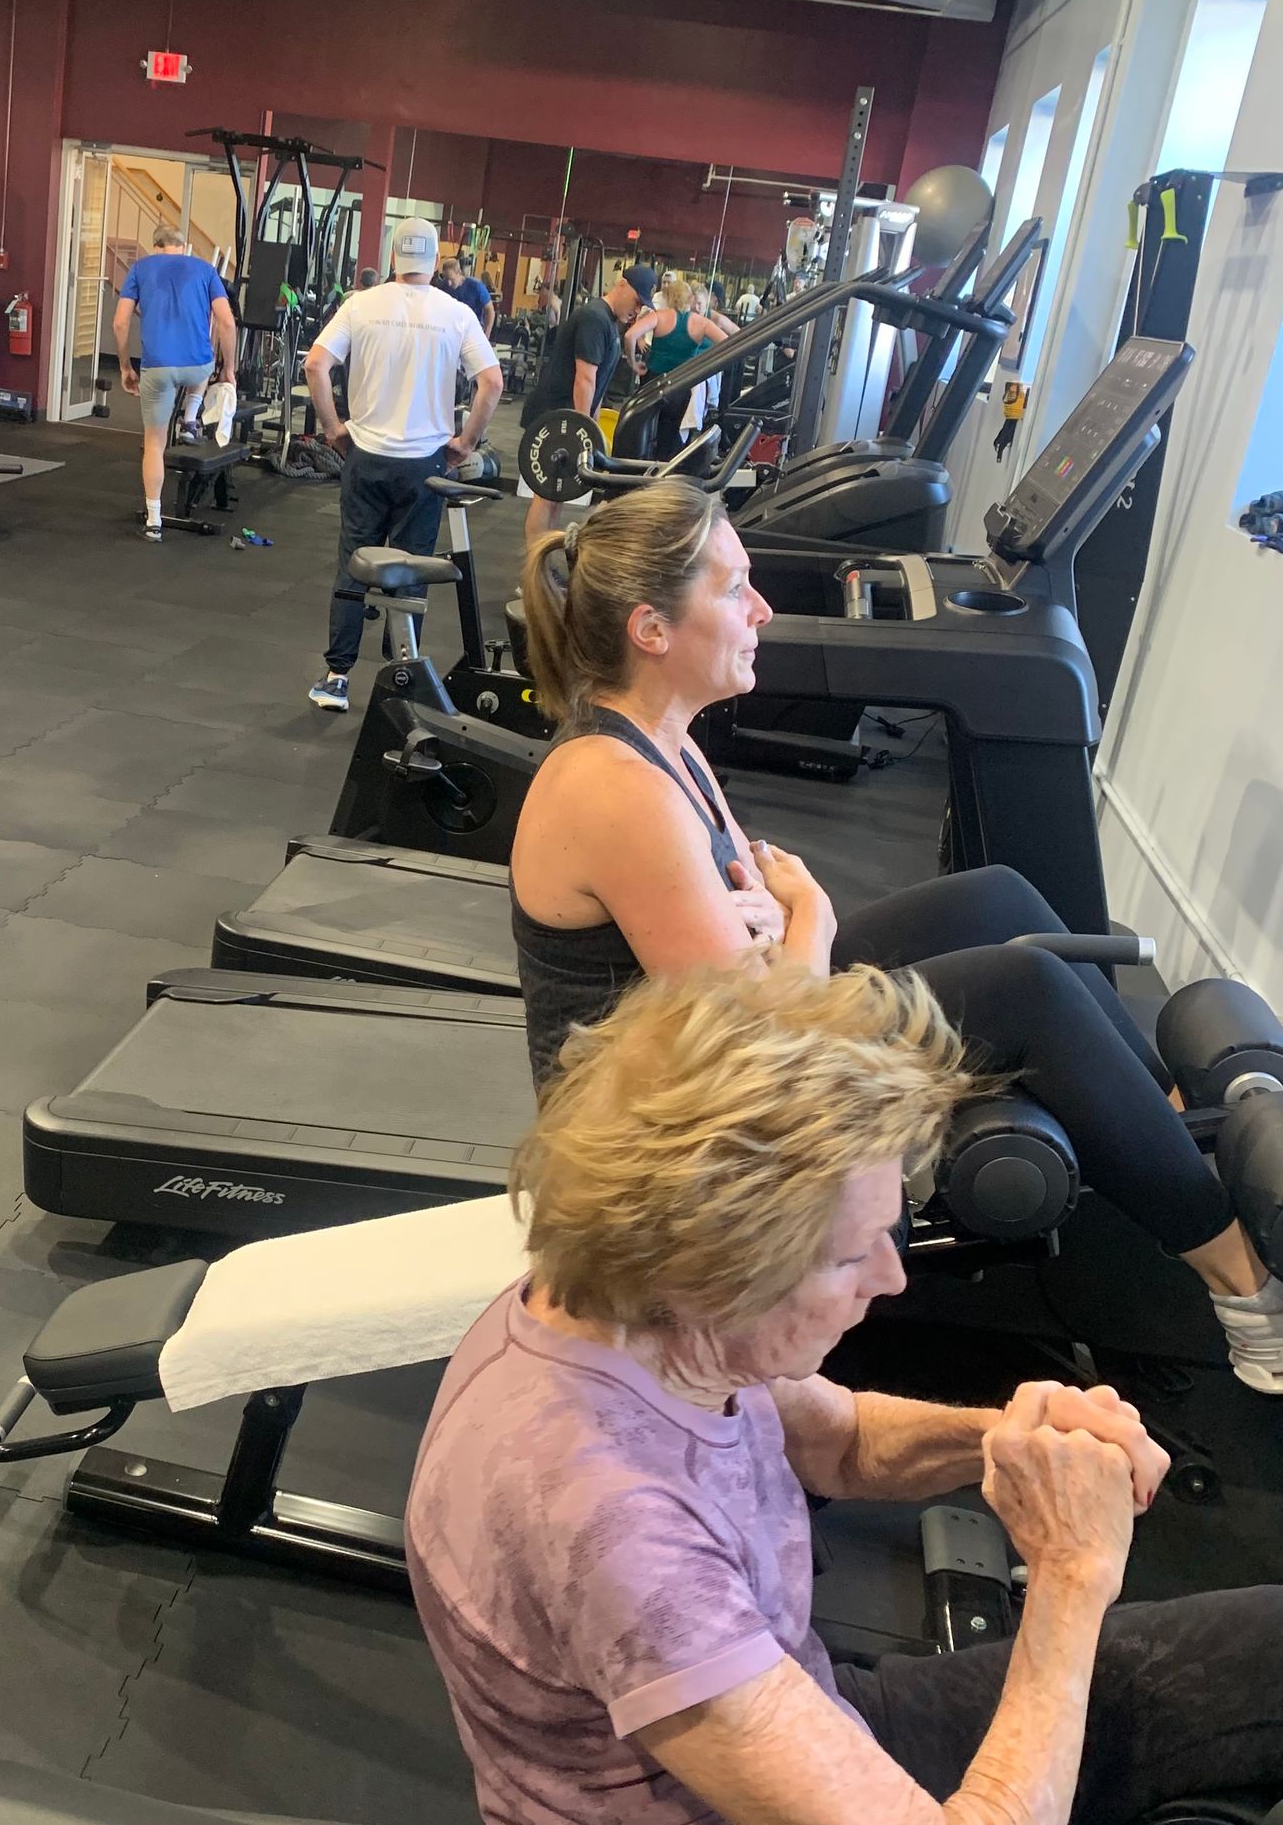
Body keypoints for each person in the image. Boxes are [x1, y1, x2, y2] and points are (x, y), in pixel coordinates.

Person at [407, 959, 1283, 1825]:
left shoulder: (628, 1314)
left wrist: (1016, 1435)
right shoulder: (604, 1514)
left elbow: (832, 1439)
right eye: (847, 1253)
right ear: (712, 1270)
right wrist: (1068, 1571)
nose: (890, 1275)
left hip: (816, 1736)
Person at [506, 479, 1283, 1390]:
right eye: (733, 590)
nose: (760, 609)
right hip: (660, 1128)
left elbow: (752, 940)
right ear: (651, 630)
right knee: (1019, 991)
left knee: (996, 899)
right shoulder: (614, 784)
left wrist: (778, 925)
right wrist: (810, 918)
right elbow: (761, 1032)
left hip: (702, 1052)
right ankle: (1250, 1298)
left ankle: (1159, 1131)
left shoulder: (665, 740)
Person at [301, 217, 503, 713]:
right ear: (436, 262)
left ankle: (336, 677)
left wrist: (333, 429)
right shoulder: (456, 312)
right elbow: (492, 383)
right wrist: (467, 442)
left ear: (393, 258)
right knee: (411, 571)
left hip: (365, 455)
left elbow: (315, 365)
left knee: (354, 563)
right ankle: (401, 674)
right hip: (425, 465)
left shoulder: (361, 304)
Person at [113, 224, 239, 544]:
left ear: (157, 246)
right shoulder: (205, 269)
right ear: (185, 246)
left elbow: (120, 322)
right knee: (200, 374)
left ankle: (154, 521)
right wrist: (230, 370)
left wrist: (126, 366)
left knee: (154, 444)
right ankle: (191, 418)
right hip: (198, 366)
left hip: (156, 367)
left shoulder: (141, 268)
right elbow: (226, 322)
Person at [519, 260, 654, 553]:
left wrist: (592, 427)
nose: (637, 309)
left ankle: (541, 567)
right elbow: (585, 379)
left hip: (567, 416)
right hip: (555, 415)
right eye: (636, 300)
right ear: (621, 284)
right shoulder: (595, 318)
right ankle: (532, 575)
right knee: (547, 494)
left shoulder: (609, 322)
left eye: (643, 305)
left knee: (556, 495)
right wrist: (583, 428)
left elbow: (599, 384)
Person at [633, 273, 737, 459]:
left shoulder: (658, 316)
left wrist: (632, 363)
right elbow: (729, 345)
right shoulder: (701, 322)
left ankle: (639, 465)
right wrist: (708, 367)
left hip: (653, 381)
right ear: (689, 299)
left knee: (642, 427)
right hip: (681, 383)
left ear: (667, 297)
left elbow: (628, 335)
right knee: (671, 433)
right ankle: (664, 471)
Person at [451, 254, 495, 335]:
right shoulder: (443, 286)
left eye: (451, 279)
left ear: (459, 273)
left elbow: (490, 310)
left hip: (473, 331)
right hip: (454, 330)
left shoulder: (476, 286)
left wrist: (487, 334)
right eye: (446, 279)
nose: (449, 283)